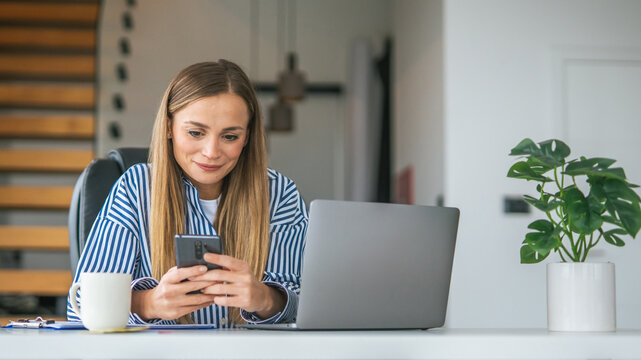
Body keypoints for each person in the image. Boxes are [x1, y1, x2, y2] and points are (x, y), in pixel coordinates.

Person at [67, 60, 308, 327]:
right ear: (169, 127)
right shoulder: (135, 189)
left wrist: (264, 299)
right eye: (195, 132)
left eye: (230, 136)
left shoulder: (280, 194)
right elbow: (81, 307)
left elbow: (308, 305)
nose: (211, 151)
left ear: (248, 137)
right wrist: (150, 303)